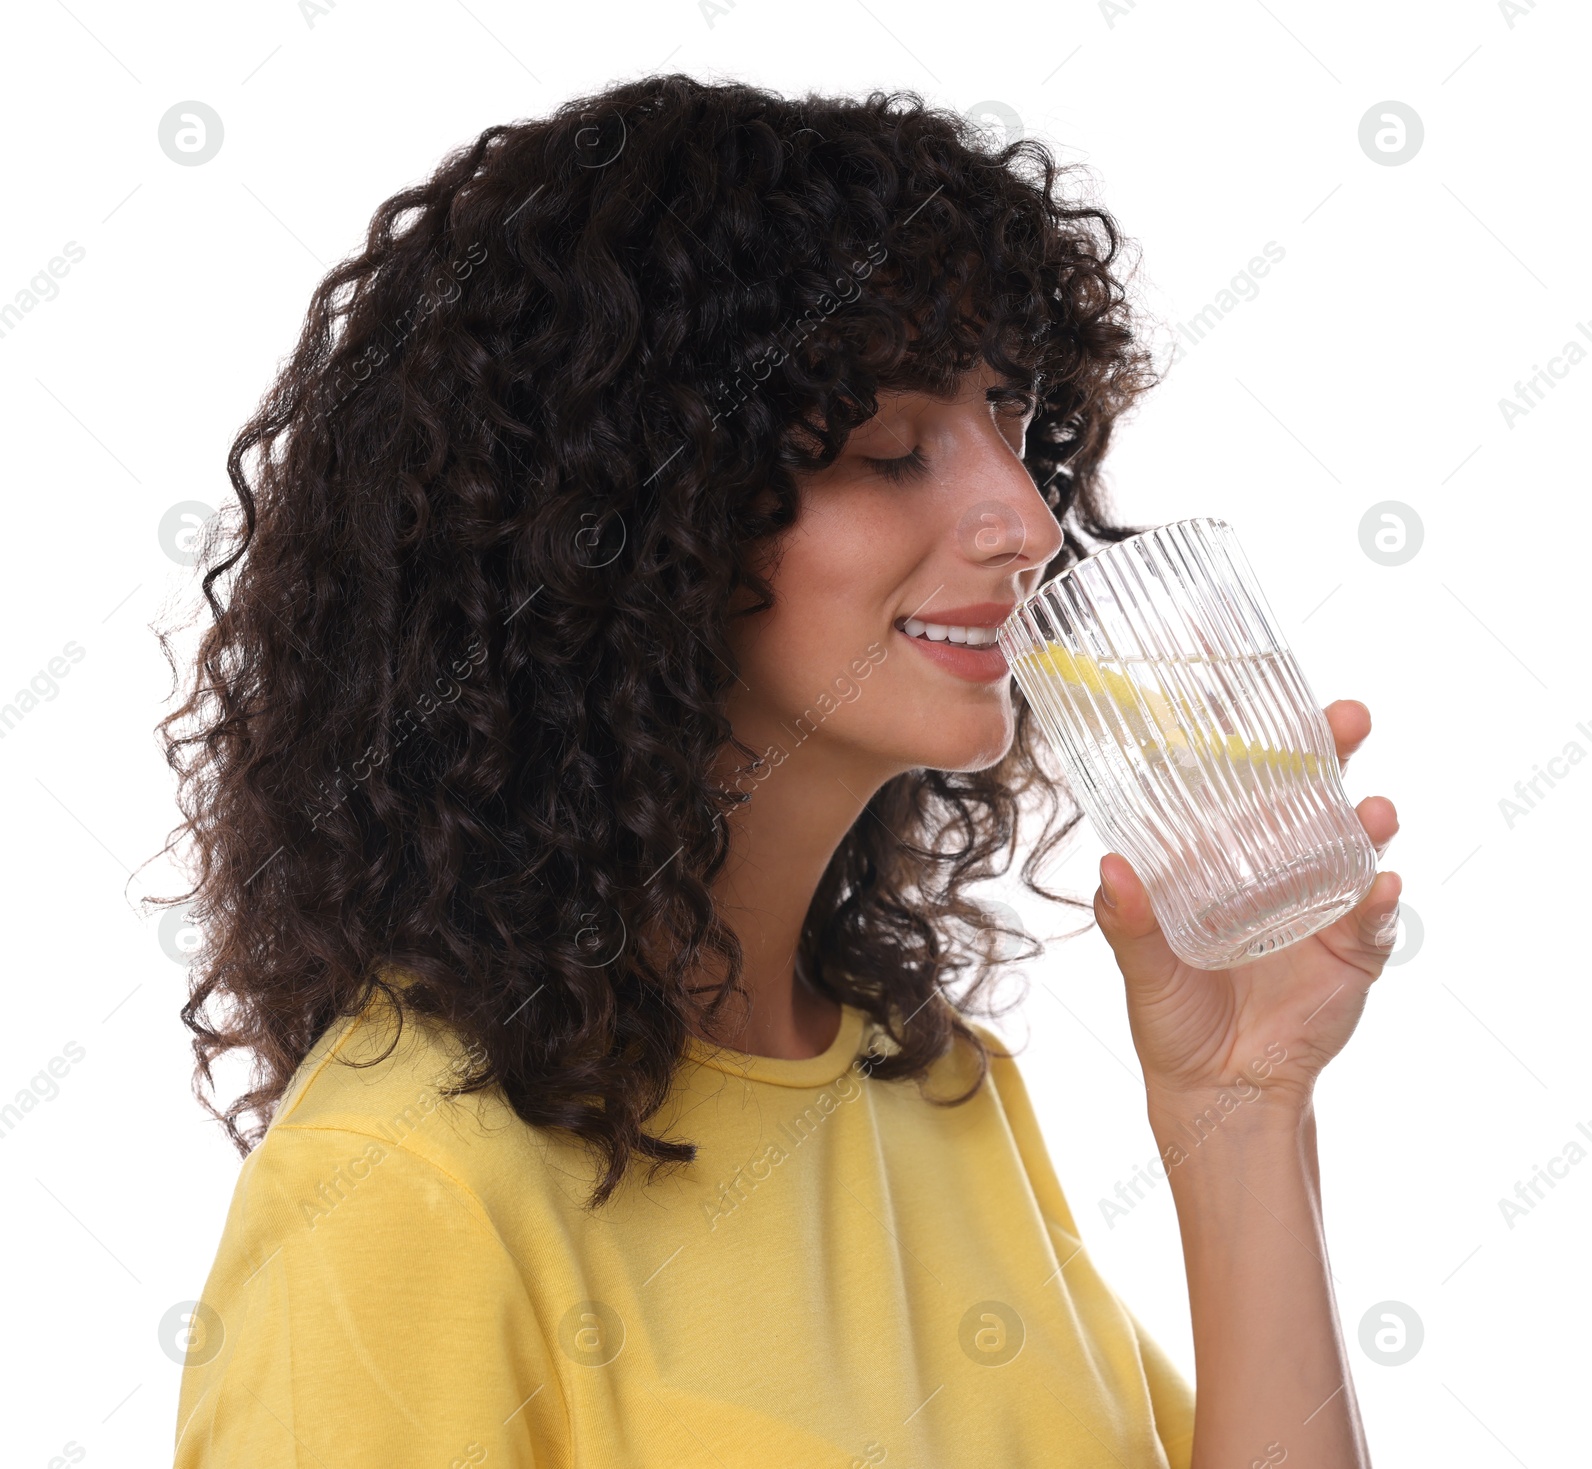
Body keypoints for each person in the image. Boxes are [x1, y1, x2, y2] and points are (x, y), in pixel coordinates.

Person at [160, 73, 1400, 1468]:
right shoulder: (400, 1191)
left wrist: (1242, 1107)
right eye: (890, 448)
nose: (1029, 519)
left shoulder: (927, 1088)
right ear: (628, 527)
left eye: (1010, 417)